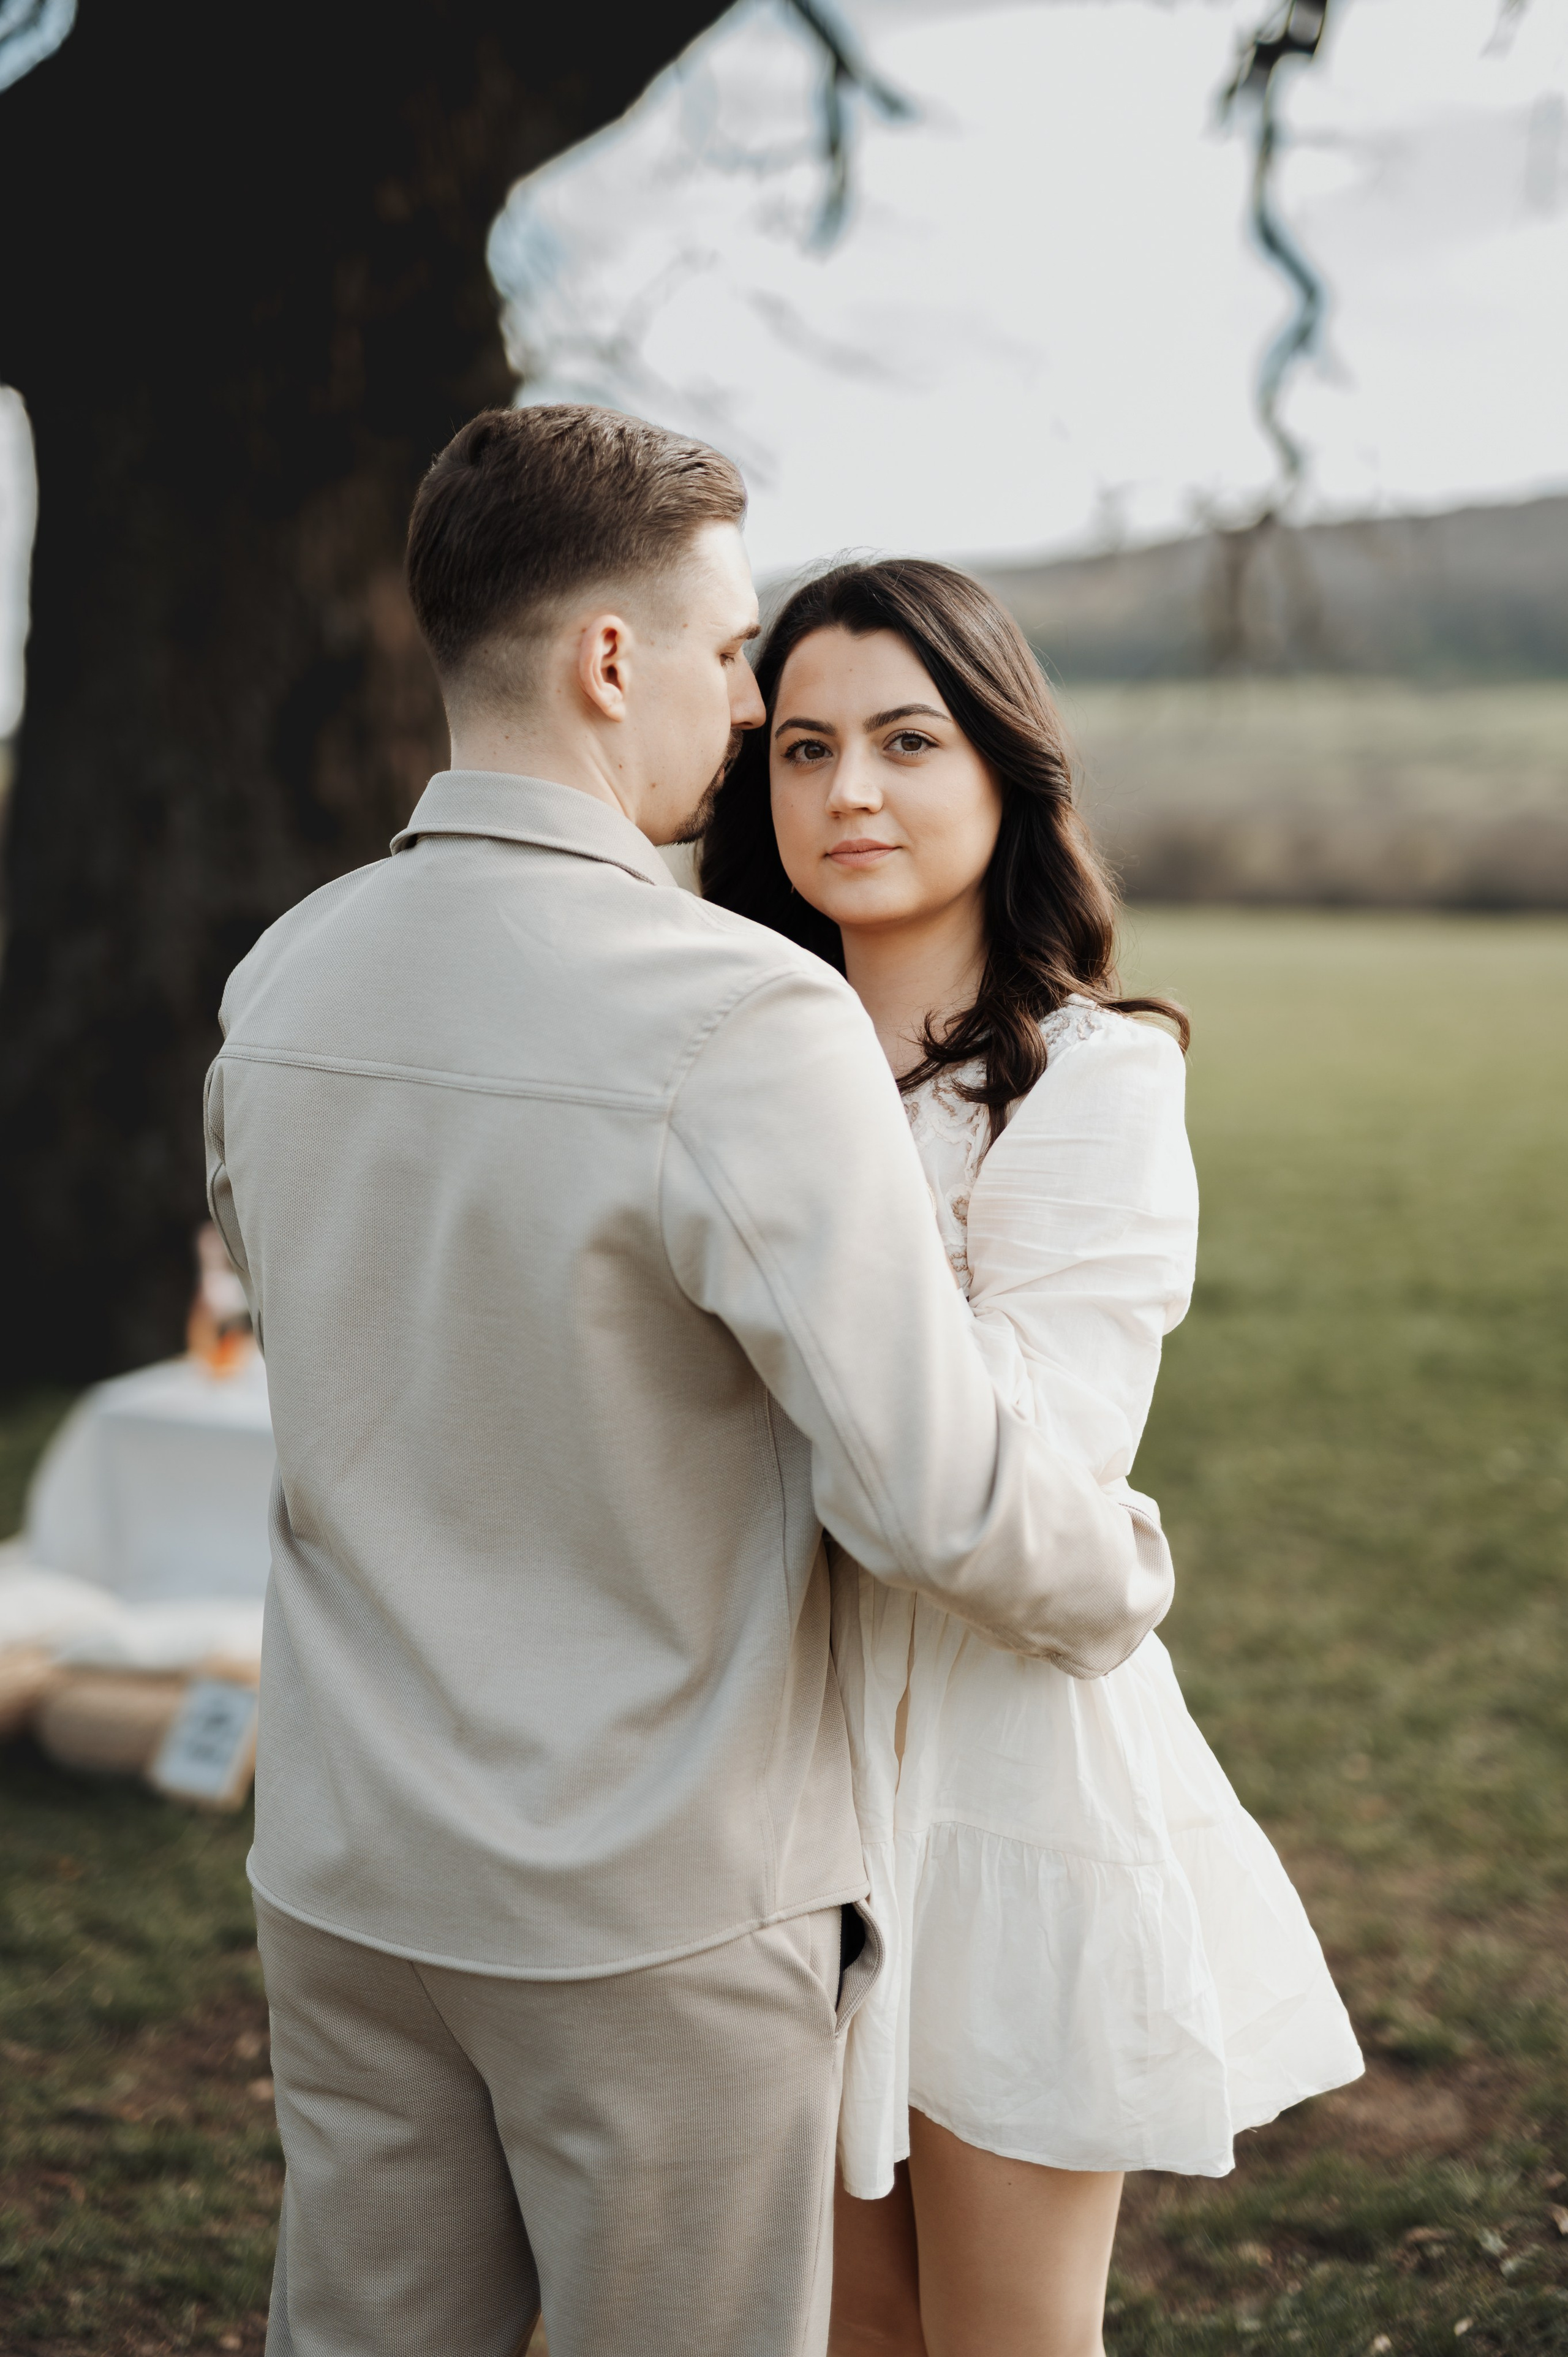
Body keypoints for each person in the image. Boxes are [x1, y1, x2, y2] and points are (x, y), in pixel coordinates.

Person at [204, 410, 1177, 2357]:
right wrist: (1124, 1575)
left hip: (344, 1869)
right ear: (608, 660)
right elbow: (935, 1492)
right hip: (648, 1901)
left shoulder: (284, 978)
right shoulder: (737, 1015)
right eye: (737, 658)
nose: (747, 711)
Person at [702, 558, 1365, 2357]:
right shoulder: (716, 1064)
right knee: (836, 2332)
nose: (850, 791)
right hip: (767, 1778)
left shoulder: (1095, 1081)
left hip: (1001, 1776)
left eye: (908, 742)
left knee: (1005, 2336)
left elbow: (1010, 1466)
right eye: (805, 748)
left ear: (1006, 768)